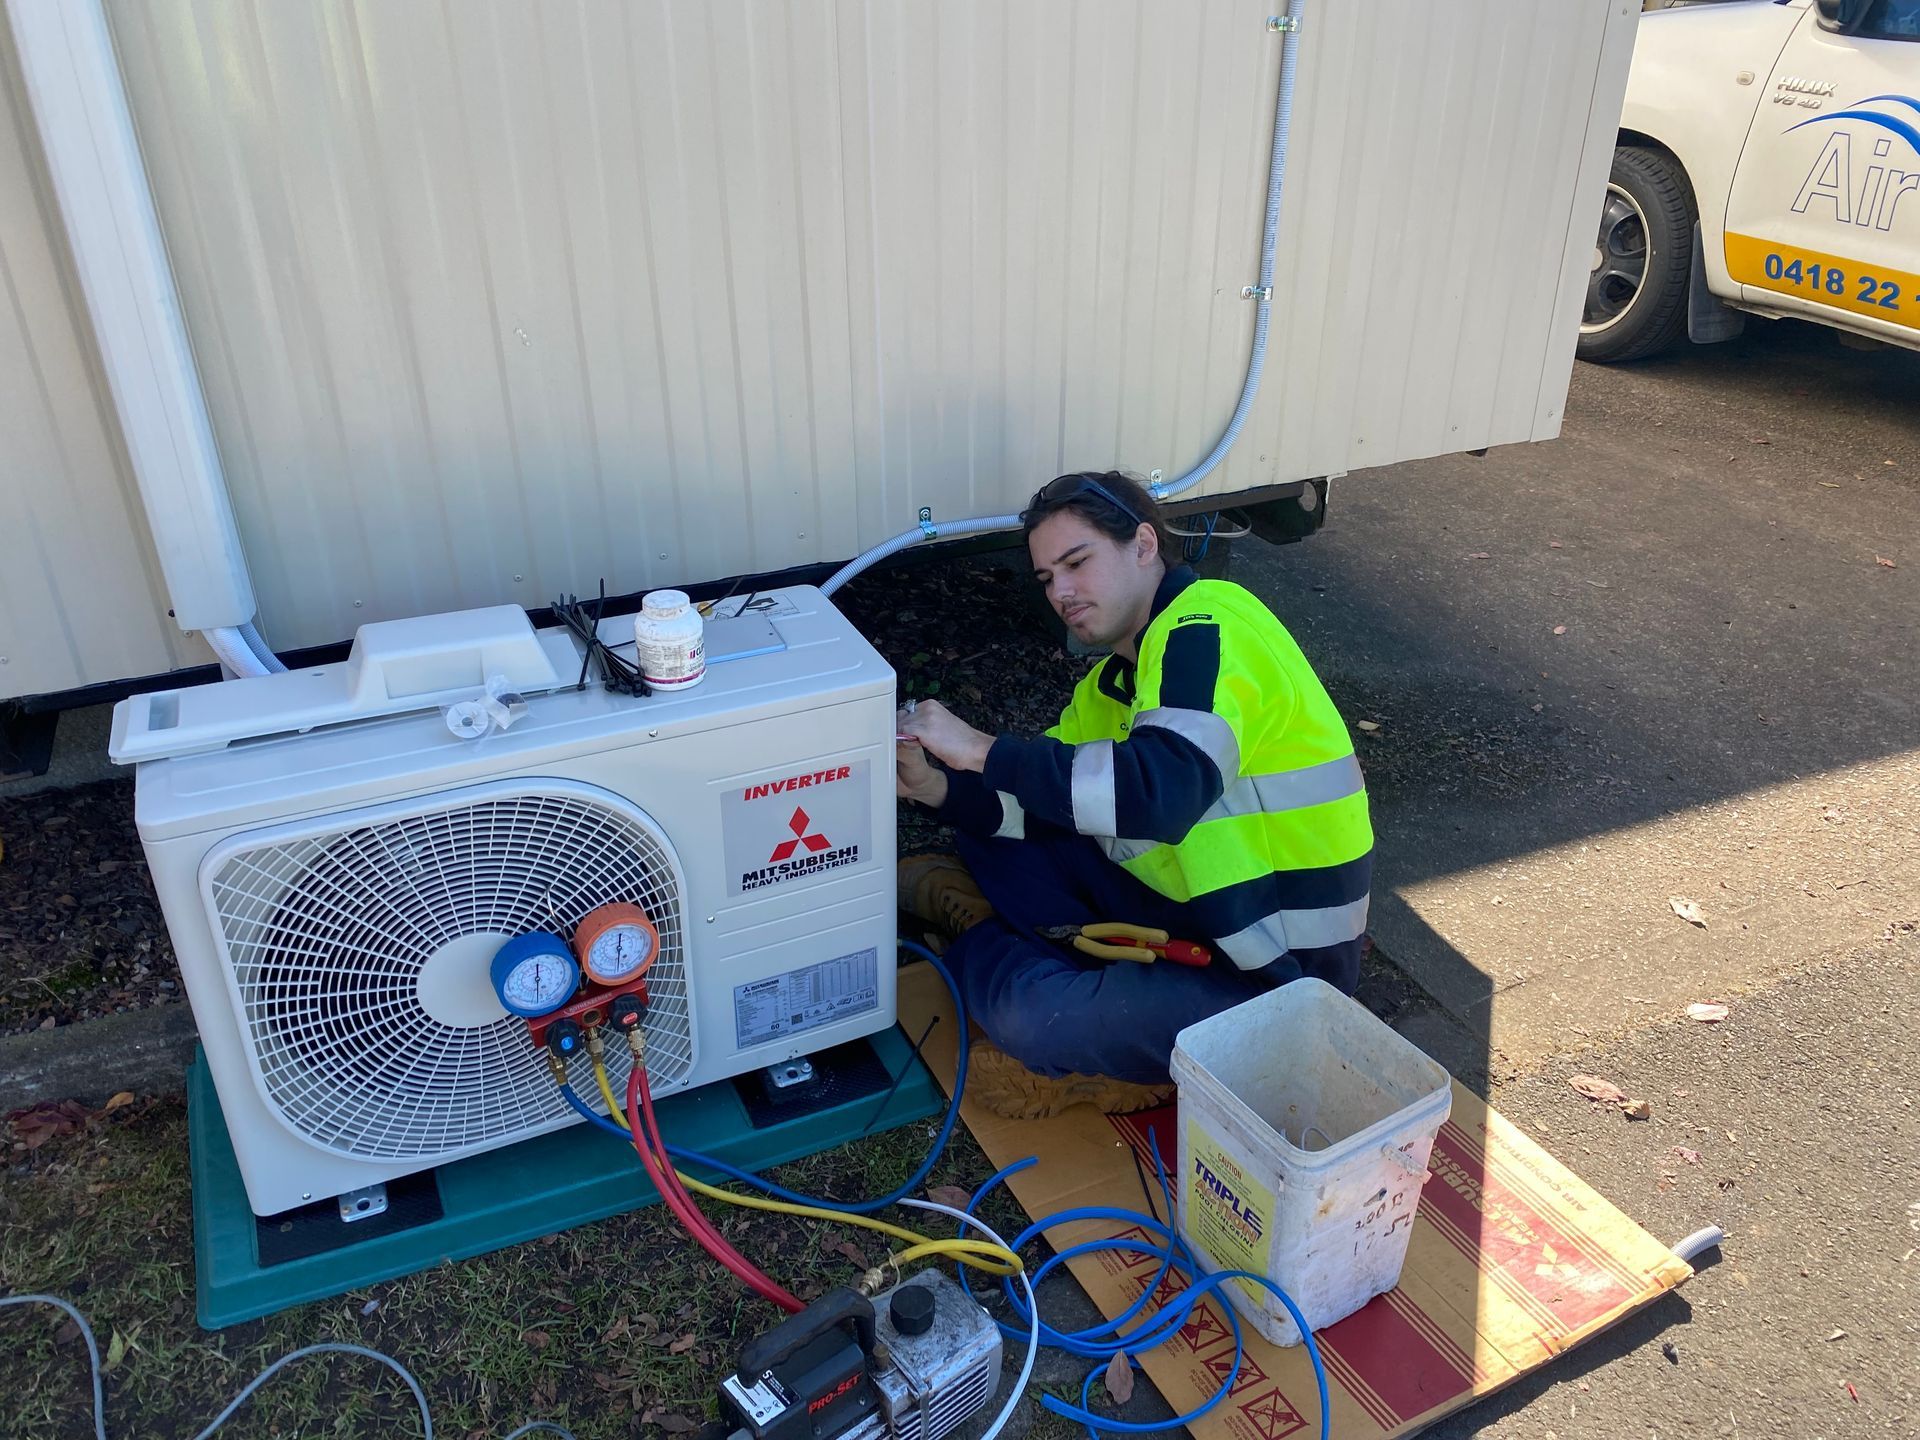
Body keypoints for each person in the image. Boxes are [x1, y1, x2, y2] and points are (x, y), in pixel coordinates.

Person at [895, 470, 1372, 1118]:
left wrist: (980, 747)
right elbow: (1038, 801)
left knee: (1031, 1016)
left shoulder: (1209, 627)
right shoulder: (1112, 684)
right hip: (1188, 914)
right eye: (1045, 578)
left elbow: (1163, 793)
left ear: (1144, 544)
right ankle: (1074, 992)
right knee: (990, 827)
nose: (1060, 591)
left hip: (1274, 983)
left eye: (1076, 562)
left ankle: (985, 940)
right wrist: (937, 787)